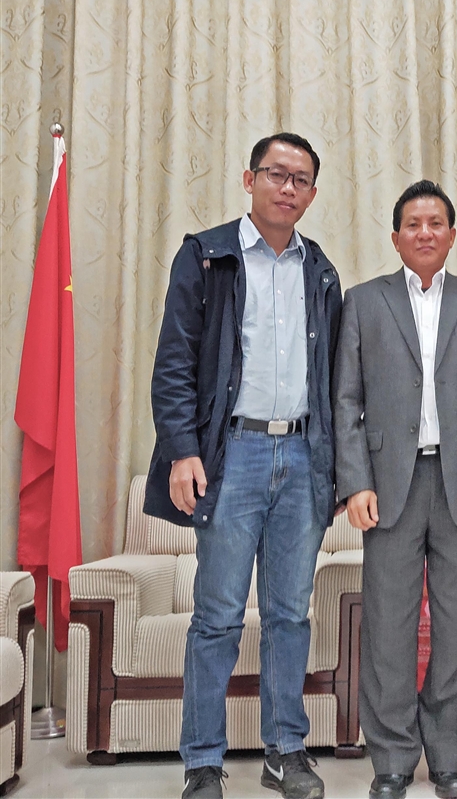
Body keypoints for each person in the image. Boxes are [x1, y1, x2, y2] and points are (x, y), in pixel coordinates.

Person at [144, 132, 341, 799]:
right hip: (233, 456)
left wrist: (336, 468)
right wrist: (183, 450)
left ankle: (286, 751)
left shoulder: (320, 271)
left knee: (289, 615)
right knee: (219, 616)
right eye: (275, 174)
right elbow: (174, 363)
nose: (287, 188)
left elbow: (334, 380)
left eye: (300, 179)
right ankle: (202, 760)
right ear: (249, 179)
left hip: (304, 457)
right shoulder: (207, 257)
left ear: (312, 193)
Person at [334, 180, 457, 799]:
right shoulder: (364, 302)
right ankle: (391, 760)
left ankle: (449, 758)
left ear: (452, 236)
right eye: (413, 223)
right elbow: (346, 400)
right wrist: (355, 482)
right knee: (388, 627)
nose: (425, 232)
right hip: (389, 486)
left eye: (436, 223)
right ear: (396, 237)